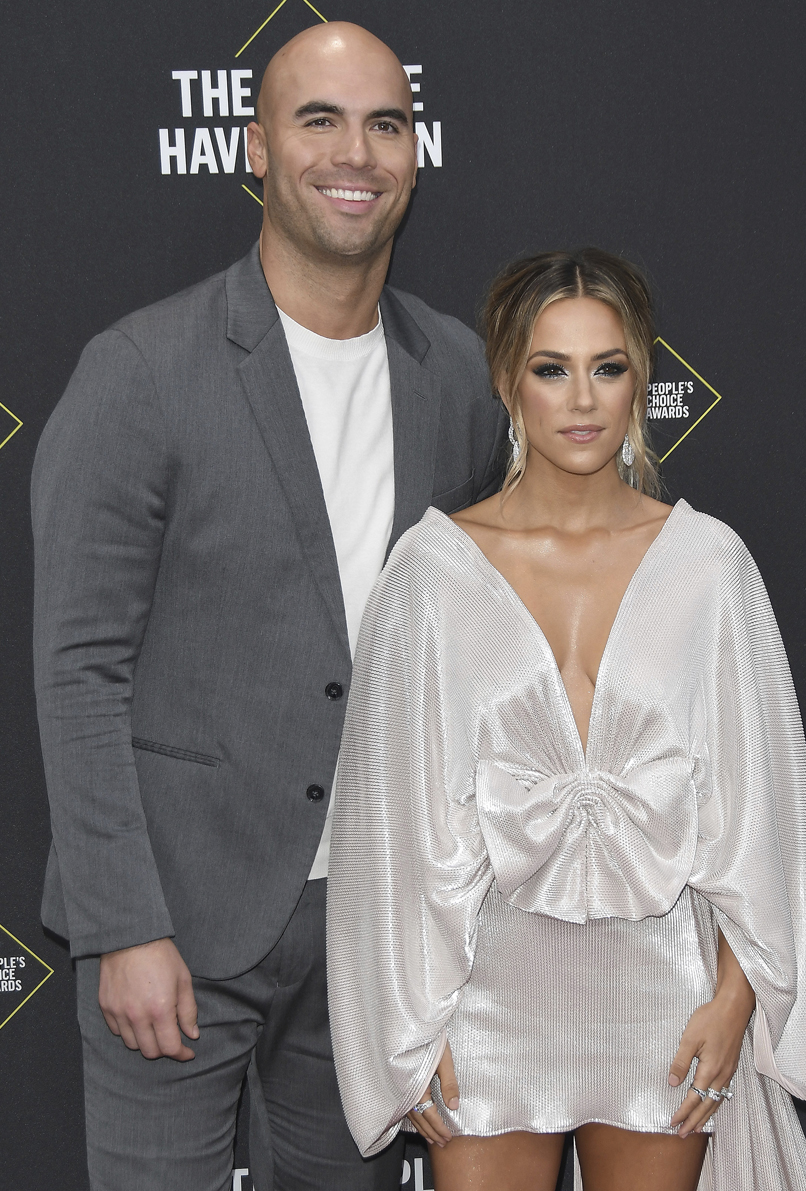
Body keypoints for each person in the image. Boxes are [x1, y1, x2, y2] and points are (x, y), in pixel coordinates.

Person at [31, 22, 506, 1191]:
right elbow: (76, 669)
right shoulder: (140, 370)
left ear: (414, 151)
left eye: (386, 124)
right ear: (254, 148)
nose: (357, 153)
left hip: (372, 928)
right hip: (178, 920)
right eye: (320, 120)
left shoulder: (452, 377)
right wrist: (122, 926)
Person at [326, 248, 806, 1190]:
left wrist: (735, 998)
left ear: (640, 381)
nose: (583, 398)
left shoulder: (710, 566)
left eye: (609, 367)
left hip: (661, 1001)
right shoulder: (432, 573)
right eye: (552, 369)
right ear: (510, 382)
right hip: (483, 1001)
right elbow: (384, 827)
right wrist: (405, 1024)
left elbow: (762, 811)